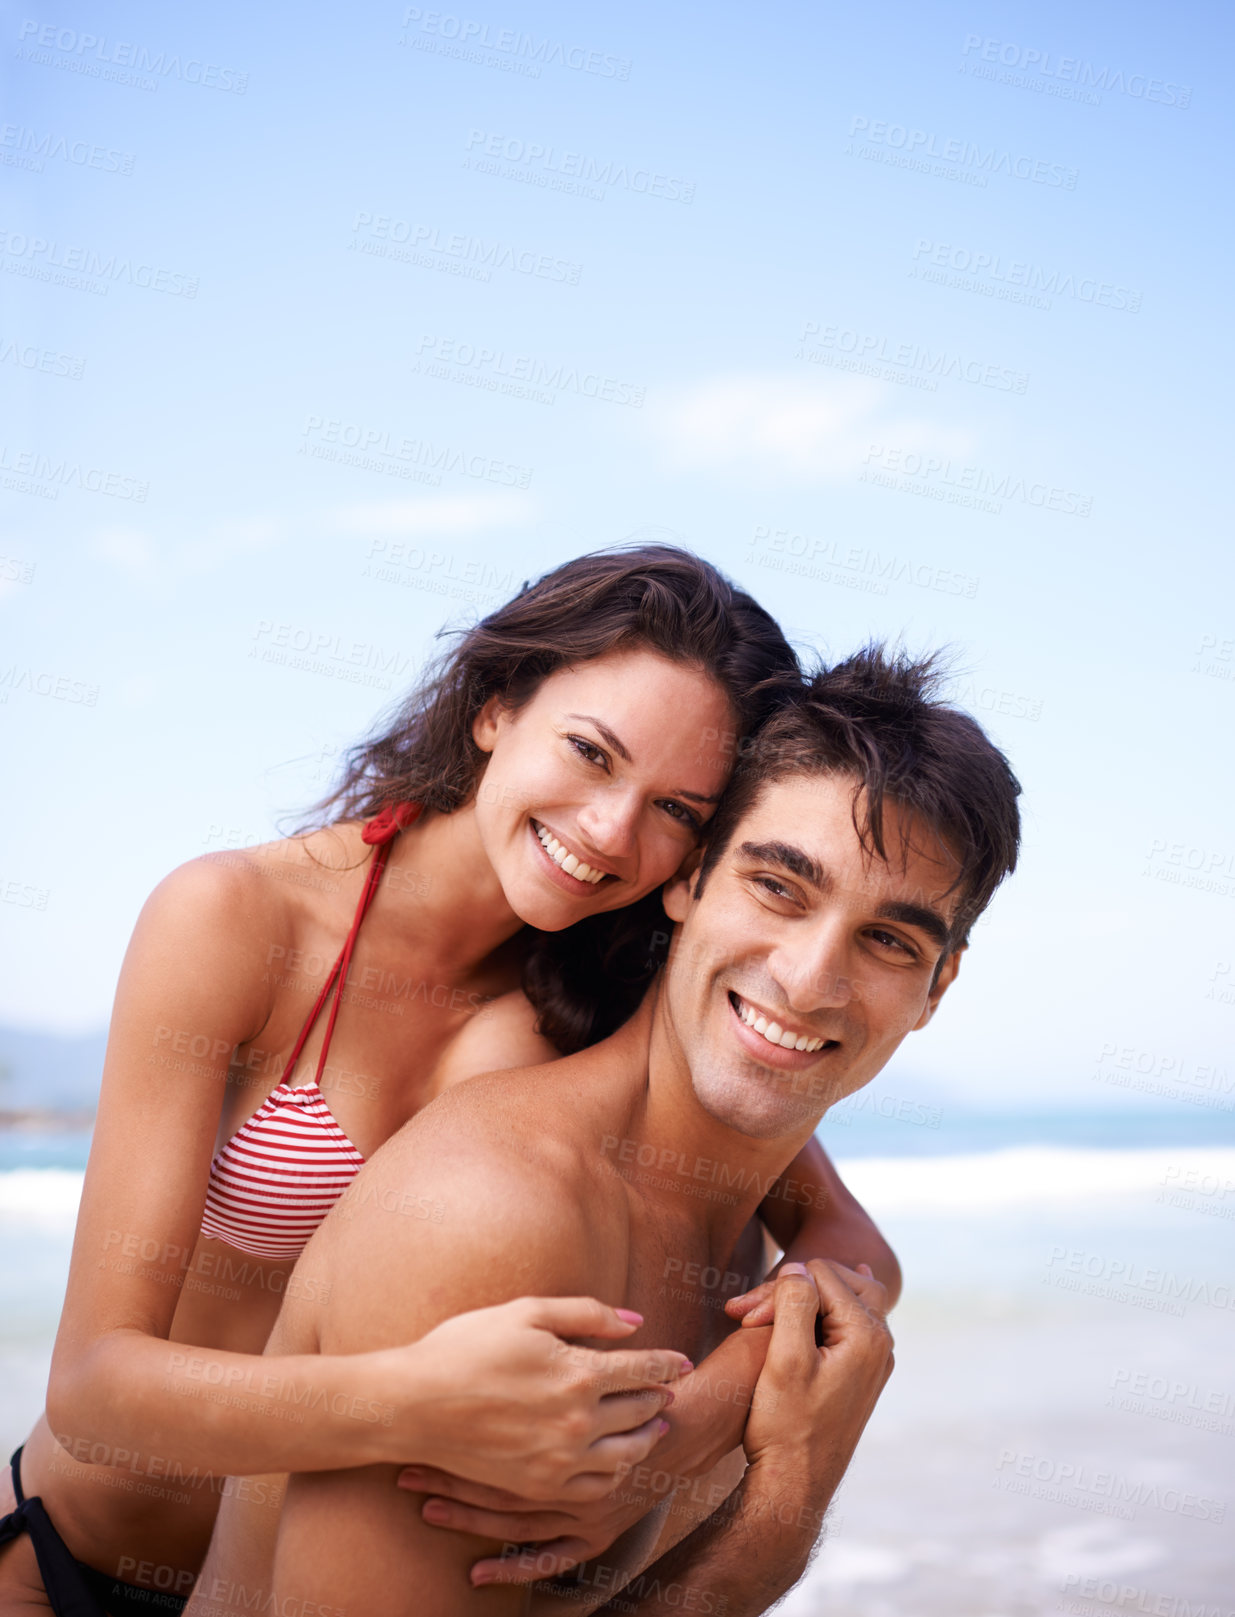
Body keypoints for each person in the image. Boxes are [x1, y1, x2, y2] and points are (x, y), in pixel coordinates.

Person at [0, 547, 897, 1617]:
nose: (609, 831)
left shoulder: (619, 995)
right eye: (588, 752)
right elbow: (97, 1392)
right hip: (66, 1564)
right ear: (492, 708)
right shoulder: (237, 920)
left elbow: (850, 1257)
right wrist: (413, 1402)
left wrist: (692, 1421)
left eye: (676, 812)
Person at [186, 646, 1022, 1616]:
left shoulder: (763, 1237)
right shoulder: (492, 1217)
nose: (807, 979)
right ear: (687, 880)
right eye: (777, 887)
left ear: (937, 988)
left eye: (887, 940)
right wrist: (787, 1501)